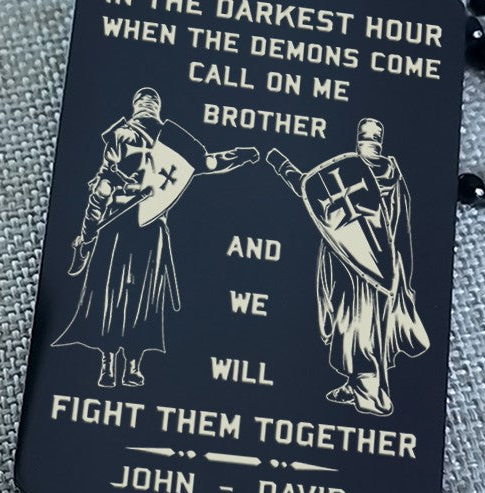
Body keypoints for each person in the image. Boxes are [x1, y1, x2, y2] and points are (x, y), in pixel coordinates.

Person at [54, 87, 258, 388]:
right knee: (134, 297)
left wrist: (87, 234)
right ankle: (122, 367)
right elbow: (209, 163)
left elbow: (101, 191)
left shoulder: (125, 137)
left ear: (137, 106)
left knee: (122, 296)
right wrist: (241, 155)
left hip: (125, 228)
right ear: (154, 108)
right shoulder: (168, 141)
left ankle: (117, 366)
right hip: (140, 229)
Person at [267, 118, 429, 416]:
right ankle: (354, 385)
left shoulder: (359, 173)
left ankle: (370, 394)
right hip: (369, 264)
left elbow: (305, 187)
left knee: (356, 327)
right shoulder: (379, 173)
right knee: (361, 326)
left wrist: (280, 164)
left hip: (363, 268)